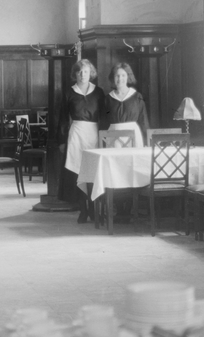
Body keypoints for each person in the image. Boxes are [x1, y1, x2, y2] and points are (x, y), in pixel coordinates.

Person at [58, 59, 105, 223]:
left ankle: (93, 208)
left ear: (91, 73)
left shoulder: (98, 92)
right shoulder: (69, 93)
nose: (82, 74)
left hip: (94, 135)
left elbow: (104, 116)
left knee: (92, 172)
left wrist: (104, 137)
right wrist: (62, 140)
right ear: (75, 74)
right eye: (79, 72)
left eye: (85, 71)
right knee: (77, 173)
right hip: (76, 136)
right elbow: (63, 118)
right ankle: (83, 210)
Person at [102, 62, 150, 223]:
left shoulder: (137, 97)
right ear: (113, 78)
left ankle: (128, 209)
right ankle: (119, 210)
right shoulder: (108, 99)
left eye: (123, 75)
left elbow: (143, 121)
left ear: (128, 77)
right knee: (116, 172)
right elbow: (103, 122)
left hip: (134, 138)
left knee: (130, 172)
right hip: (113, 138)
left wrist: (146, 141)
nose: (120, 79)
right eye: (117, 76)